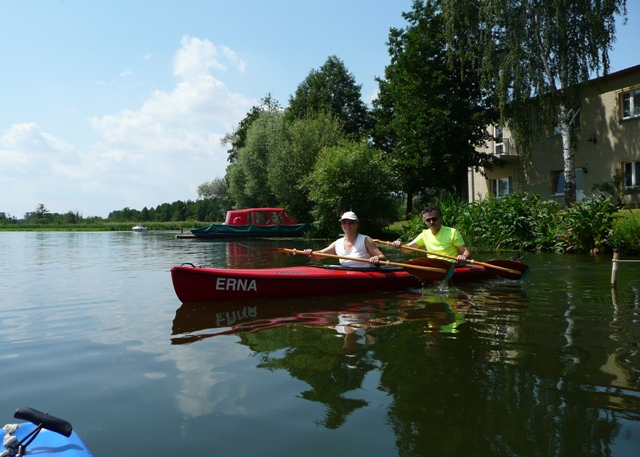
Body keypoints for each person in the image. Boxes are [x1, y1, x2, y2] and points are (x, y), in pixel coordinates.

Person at [304, 211, 386, 267]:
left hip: (365, 274)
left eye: (351, 222)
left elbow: (383, 258)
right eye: (344, 222)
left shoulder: (366, 240)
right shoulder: (338, 243)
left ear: (356, 224)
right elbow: (319, 256)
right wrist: (311, 253)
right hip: (347, 273)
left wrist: (377, 258)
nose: (347, 225)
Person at [393, 206, 470, 263]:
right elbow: (406, 250)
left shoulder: (453, 232)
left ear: (440, 219)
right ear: (425, 222)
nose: (431, 222)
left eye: (434, 219)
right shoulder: (424, 234)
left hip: (449, 265)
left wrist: (463, 256)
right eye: (428, 220)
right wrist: (400, 245)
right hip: (432, 265)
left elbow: (466, 251)